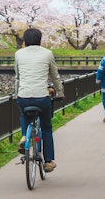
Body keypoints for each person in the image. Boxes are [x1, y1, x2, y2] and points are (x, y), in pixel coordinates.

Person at [14, 28, 64, 172]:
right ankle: (48, 162)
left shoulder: (18, 54)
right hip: (42, 97)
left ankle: (24, 136)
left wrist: (17, 93)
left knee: (24, 114)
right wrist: (60, 92)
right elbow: (55, 76)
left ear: (24, 41)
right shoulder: (47, 54)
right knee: (46, 128)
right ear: (40, 40)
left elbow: (18, 77)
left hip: (23, 96)